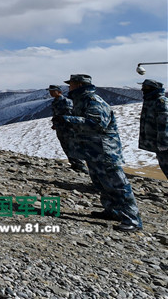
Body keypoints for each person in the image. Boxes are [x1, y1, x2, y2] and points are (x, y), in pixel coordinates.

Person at [57, 73, 142, 232]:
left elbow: (96, 124)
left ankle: (132, 219)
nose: (69, 87)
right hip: (93, 151)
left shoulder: (94, 101)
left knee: (118, 185)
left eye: (72, 84)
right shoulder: (81, 101)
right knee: (101, 183)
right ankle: (113, 211)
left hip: (105, 151)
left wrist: (68, 120)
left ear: (80, 85)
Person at [47, 84, 88, 173]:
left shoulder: (66, 101)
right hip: (60, 128)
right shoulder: (54, 102)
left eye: (53, 91)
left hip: (69, 128)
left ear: (59, 92)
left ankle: (81, 166)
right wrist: (55, 124)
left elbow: (71, 114)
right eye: (50, 91)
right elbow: (55, 114)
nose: (51, 93)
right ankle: (74, 164)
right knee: (65, 146)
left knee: (73, 145)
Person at [138, 79, 167, 177]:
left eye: (145, 87)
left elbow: (164, 123)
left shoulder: (160, 101)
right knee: (165, 166)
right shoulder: (150, 101)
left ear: (153, 88)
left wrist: (163, 143)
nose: (143, 89)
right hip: (159, 144)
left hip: (164, 144)